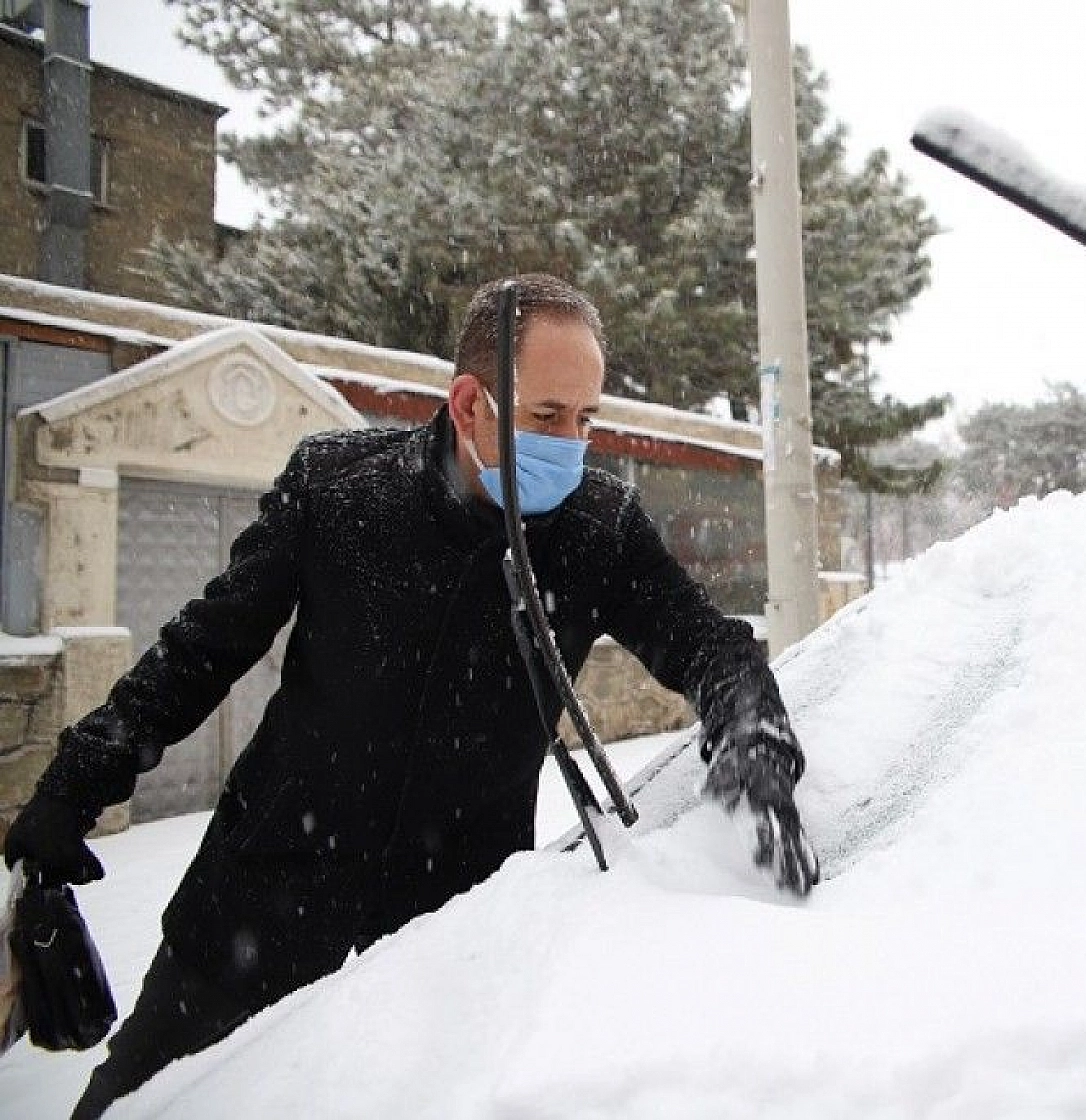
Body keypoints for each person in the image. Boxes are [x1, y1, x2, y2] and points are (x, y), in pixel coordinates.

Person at [2, 274, 819, 1117]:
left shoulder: (597, 528)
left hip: (449, 945)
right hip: (257, 914)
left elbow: (706, 640)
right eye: (547, 417)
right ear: (469, 403)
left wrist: (754, 731)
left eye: (587, 419)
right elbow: (198, 655)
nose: (572, 445)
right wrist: (74, 784)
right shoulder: (338, 492)